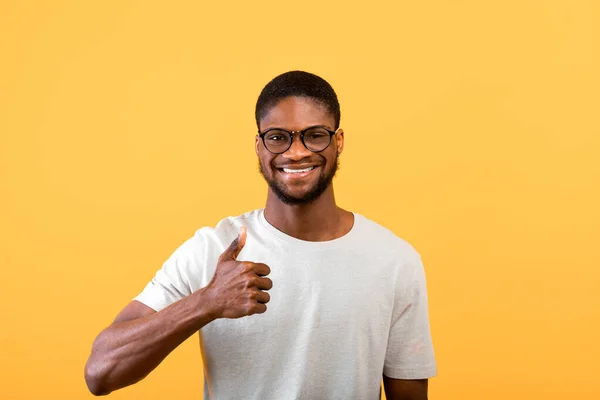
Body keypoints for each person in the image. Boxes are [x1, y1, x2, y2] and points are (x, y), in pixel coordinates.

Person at [84, 71, 437, 399]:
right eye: (278, 138)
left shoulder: (394, 260)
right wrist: (206, 303)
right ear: (259, 146)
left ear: (338, 142)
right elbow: (101, 372)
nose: (296, 152)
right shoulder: (212, 249)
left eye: (314, 136)